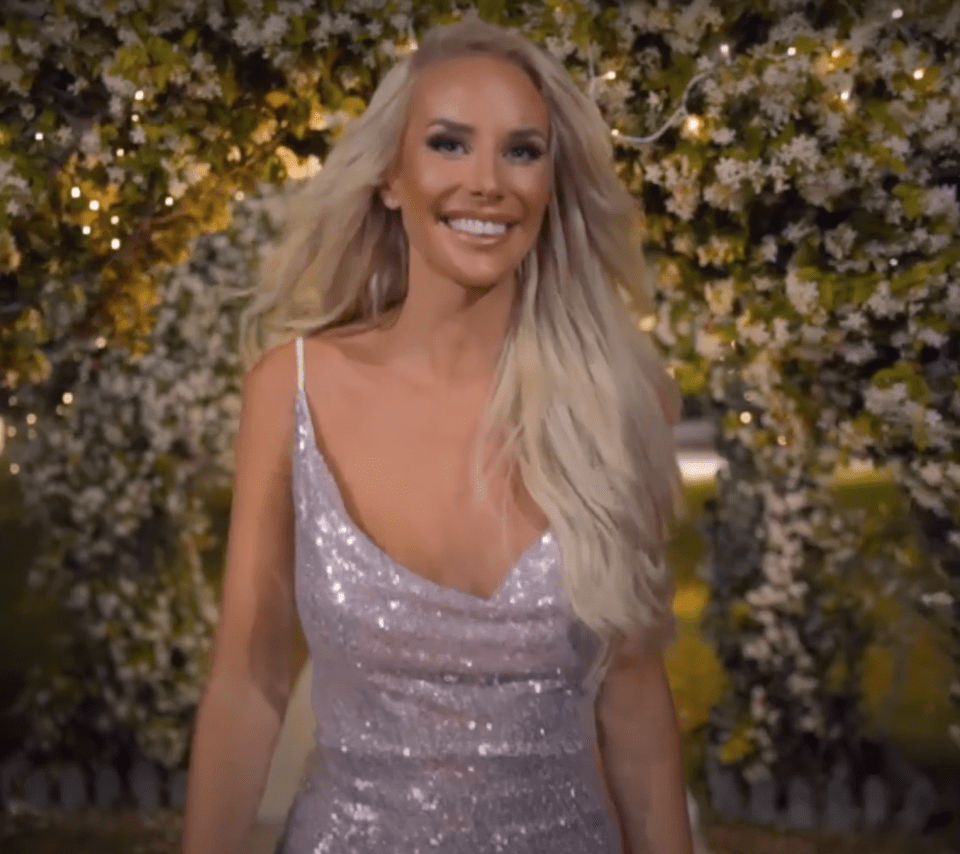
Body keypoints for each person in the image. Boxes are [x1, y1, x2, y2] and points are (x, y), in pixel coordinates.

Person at [181, 15, 694, 854]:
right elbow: (249, 679)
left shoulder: (615, 407)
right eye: (450, 145)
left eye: (522, 151)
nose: (487, 182)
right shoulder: (292, 390)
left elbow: (634, 704)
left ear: (550, 183)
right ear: (391, 176)